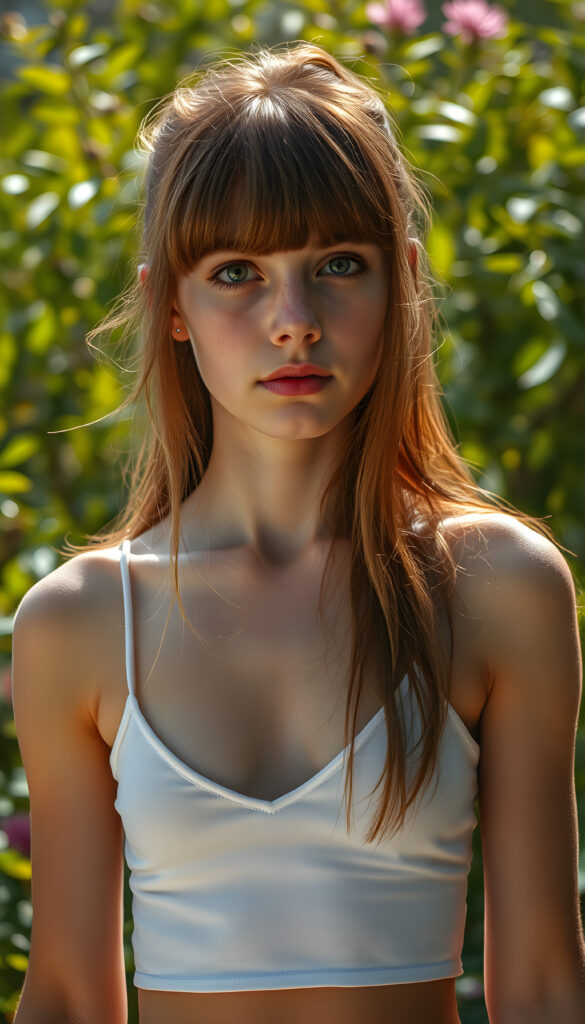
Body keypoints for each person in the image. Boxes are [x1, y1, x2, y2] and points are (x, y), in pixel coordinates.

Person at [10, 42, 585, 1024]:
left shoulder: (496, 587)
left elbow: (541, 986)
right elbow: (66, 994)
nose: (294, 320)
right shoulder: (79, 620)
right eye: (237, 271)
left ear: (401, 277)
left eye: (337, 265)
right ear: (171, 304)